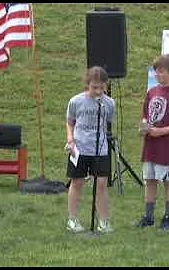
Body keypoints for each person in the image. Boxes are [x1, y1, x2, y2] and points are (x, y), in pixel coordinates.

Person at [134, 54, 169, 231]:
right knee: (149, 180)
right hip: (150, 145)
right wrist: (145, 126)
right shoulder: (152, 92)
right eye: (156, 71)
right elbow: (145, 114)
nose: (158, 75)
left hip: (166, 146)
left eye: (162, 71)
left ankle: (168, 218)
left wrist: (162, 132)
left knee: (167, 181)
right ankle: (148, 216)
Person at [65, 66, 115, 233]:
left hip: (100, 148)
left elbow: (107, 120)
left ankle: (103, 221)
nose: (98, 91)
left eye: (101, 87)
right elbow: (70, 122)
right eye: (94, 87)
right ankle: (72, 219)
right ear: (87, 84)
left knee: (101, 184)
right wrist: (70, 140)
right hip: (80, 147)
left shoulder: (109, 103)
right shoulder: (76, 101)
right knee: (77, 182)